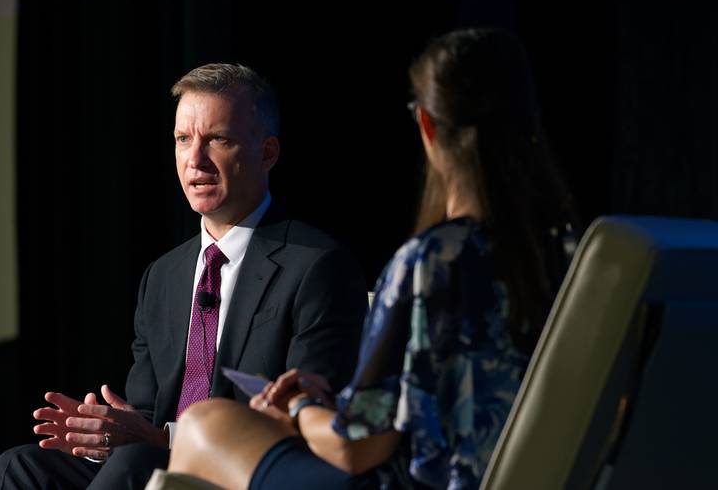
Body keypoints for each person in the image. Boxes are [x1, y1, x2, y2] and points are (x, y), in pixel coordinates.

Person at [153, 28, 579, 490]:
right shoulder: (565, 253)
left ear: (428, 128)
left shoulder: (432, 260)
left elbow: (356, 445)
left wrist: (297, 406)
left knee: (205, 425)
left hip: (409, 481)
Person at [0, 64, 369, 489]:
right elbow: (148, 415)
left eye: (218, 139)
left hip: (246, 473)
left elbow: (305, 418)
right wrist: (105, 431)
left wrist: (158, 438)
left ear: (267, 153)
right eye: (183, 139)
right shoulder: (163, 277)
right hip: (154, 465)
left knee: (135, 466)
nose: (195, 160)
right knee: (19, 467)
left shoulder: (316, 265)